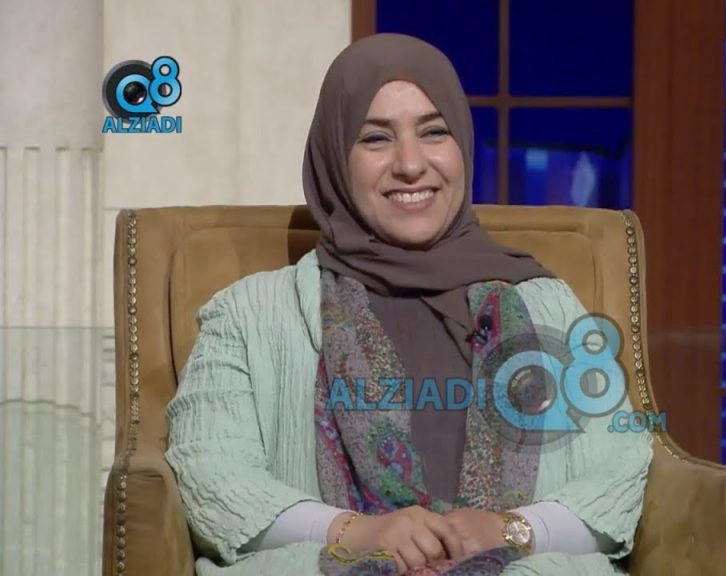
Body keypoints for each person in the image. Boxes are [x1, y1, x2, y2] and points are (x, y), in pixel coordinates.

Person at [165, 33, 652, 576]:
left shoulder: (546, 303)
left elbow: (621, 469)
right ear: (335, 159)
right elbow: (211, 474)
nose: (411, 164)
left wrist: (512, 529)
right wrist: (358, 533)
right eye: (376, 138)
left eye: (433, 132)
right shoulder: (248, 314)